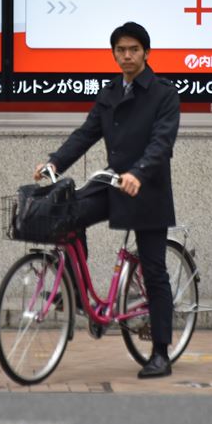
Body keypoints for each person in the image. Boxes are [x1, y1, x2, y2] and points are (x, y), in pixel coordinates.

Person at [35, 22, 179, 379]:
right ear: (113, 53)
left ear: (146, 52)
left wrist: (139, 172)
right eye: (120, 50)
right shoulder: (110, 92)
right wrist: (54, 161)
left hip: (148, 188)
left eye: (133, 49)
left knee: (155, 269)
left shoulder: (164, 93)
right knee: (66, 210)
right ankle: (78, 296)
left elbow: (162, 142)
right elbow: (86, 133)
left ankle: (160, 352)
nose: (126, 56)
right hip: (114, 181)